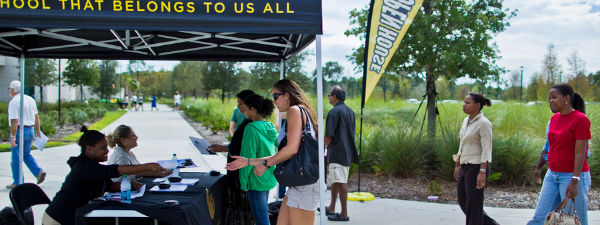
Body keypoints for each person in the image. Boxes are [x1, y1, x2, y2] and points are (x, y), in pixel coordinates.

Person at [226, 79, 319, 225]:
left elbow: (291, 149)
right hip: (299, 184)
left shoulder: (294, 110)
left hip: (305, 185)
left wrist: (266, 164)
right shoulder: (300, 111)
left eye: (276, 96)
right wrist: (248, 161)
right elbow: (283, 153)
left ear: (287, 95)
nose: (273, 101)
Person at [43, 126, 166, 225]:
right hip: (58, 219)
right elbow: (114, 170)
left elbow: (110, 186)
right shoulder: (84, 166)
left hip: (73, 216)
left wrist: (133, 185)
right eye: (103, 148)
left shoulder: (93, 166)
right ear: (89, 149)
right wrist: (147, 167)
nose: (107, 151)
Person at [527, 84, 592, 225]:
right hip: (552, 175)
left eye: (554, 97)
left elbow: (581, 152)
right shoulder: (554, 119)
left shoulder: (580, 120)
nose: (550, 101)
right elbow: (549, 147)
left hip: (572, 176)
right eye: (549, 98)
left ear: (567, 98)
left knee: (574, 220)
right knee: (540, 217)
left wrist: (575, 181)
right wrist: (540, 167)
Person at [209, 90, 256, 225]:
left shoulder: (250, 126)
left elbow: (244, 149)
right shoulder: (248, 122)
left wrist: (223, 148)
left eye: (241, 104)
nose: (239, 107)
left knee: (242, 207)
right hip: (237, 171)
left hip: (241, 174)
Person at [454, 92, 498, 225]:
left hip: (477, 167)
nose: (464, 105)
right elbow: (461, 144)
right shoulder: (466, 121)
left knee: (474, 205)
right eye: (464, 102)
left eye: (467, 103)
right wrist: (457, 163)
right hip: (464, 165)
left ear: (477, 105)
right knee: (463, 201)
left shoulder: (484, 123)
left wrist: (482, 172)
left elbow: (487, 149)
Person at [320, 86, 359, 221]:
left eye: (329, 95)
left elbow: (329, 136)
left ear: (335, 96)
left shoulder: (334, 112)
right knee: (336, 180)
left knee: (341, 181)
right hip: (347, 151)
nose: (328, 97)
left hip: (337, 152)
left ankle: (344, 214)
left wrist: (319, 151)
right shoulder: (350, 111)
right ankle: (331, 208)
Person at [238, 94, 278, 225]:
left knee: (261, 219)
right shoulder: (270, 126)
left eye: (245, 108)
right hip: (268, 176)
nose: (243, 112)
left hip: (255, 178)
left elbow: (247, 158)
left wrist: (243, 183)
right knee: (263, 214)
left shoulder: (251, 128)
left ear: (253, 110)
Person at [6, 80, 46, 189]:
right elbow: (36, 117)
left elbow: (14, 120)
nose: (9, 90)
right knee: (26, 154)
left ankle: (17, 182)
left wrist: (13, 137)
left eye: (9, 88)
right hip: (30, 130)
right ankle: (38, 172)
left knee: (16, 157)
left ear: (13, 90)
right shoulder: (30, 99)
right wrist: (37, 131)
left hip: (19, 131)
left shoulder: (14, 101)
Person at [106, 125, 172, 181]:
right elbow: (128, 177)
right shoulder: (120, 156)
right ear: (123, 140)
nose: (136, 138)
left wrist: (162, 173)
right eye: (133, 136)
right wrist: (149, 168)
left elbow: (141, 172)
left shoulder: (129, 152)